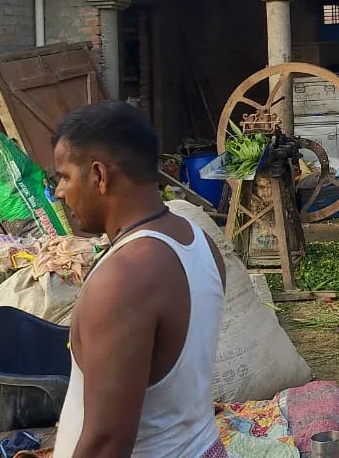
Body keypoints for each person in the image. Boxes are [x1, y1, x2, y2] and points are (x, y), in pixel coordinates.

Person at [51, 102, 228, 458]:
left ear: (99, 175)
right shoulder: (197, 240)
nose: (59, 191)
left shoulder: (125, 278)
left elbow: (107, 442)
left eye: (65, 176)